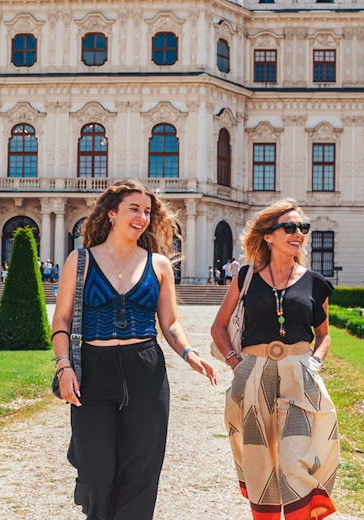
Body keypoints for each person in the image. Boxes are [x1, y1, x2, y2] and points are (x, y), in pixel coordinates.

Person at [51, 179, 217, 520]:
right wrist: (64, 365)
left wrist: (189, 353)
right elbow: (62, 320)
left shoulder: (159, 265)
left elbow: (169, 324)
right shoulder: (79, 260)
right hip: (94, 371)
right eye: (133, 209)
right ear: (112, 213)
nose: (142, 217)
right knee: (97, 476)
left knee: (141, 474)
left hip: (145, 371)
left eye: (147, 211)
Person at [211, 198, 338, 520]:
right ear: (268, 236)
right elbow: (219, 326)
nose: (299, 234)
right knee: (260, 463)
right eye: (290, 227)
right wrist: (234, 363)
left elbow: (323, 334)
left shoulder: (315, 282)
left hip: (300, 375)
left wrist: (316, 362)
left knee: (296, 459)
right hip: (253, 376)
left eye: (303, 228)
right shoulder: (246, 277)